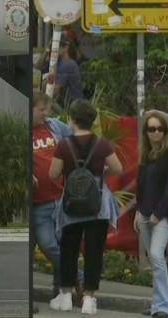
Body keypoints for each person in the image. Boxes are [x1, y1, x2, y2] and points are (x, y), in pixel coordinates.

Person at [48, 99, 123, 315]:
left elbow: (53, 174)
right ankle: (89, 299)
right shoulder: (102, 144)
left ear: (71, 119)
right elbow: (118, 169)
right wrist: (101, 170)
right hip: (98, 205)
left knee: (68, 250)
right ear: (92, 120)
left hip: (71, 206)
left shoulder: (64, 145)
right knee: (94, 251)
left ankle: (65, 296)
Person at [134, 111, 168, 318]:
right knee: (155, 258)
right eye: (151, 129)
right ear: (146, 132)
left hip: (163, 214)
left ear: (165, 131)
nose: (156, 133)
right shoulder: (146, 155)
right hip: (145, 212)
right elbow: (142, 187)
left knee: (156, 256)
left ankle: (164, 308)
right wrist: (138, 212)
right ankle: (158, 305)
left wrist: (159, 212)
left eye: (160, 129)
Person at [31, 90, 83, 301]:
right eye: (41, 110)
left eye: (47, 109)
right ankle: (80, 277)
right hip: (39, 204)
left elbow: (79, 138)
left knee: (63, 244)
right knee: (48, 244)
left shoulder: (54, 127)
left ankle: (61, 291)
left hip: (61, 198)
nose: (46, 114)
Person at [35, 33, 84, 109]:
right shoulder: (57, 62)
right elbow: (38, 66)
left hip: (70, 107)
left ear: (65, 47)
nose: (53, 49)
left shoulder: (68, 64)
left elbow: (54, 90)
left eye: (56, 46)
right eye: (52, 46)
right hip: (63, 104)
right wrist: (48, 48)